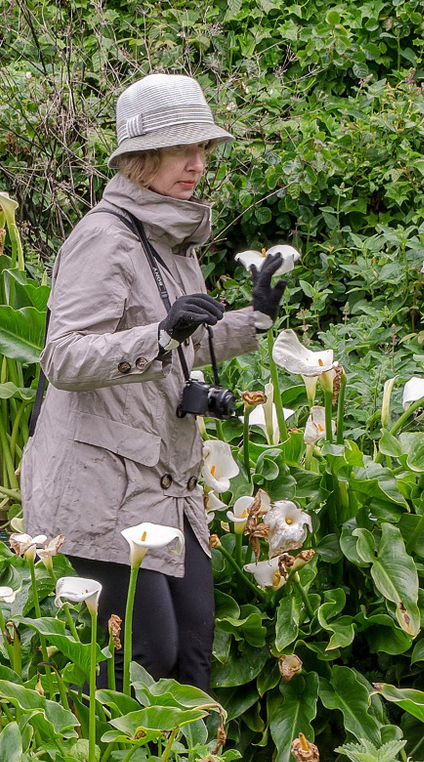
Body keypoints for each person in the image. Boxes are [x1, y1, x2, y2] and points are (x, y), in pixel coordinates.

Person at [21, 73, 287, 691]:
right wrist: (159, 335)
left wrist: (256, 320)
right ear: (143, 159)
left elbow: (182, 345)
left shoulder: (172, 239)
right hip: (100, 481)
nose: (198, 165)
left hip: (164, 476)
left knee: (194, 650)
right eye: (182, 151)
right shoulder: (104, 239)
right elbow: (63, 359)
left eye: (204, 152)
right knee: (145, 653)